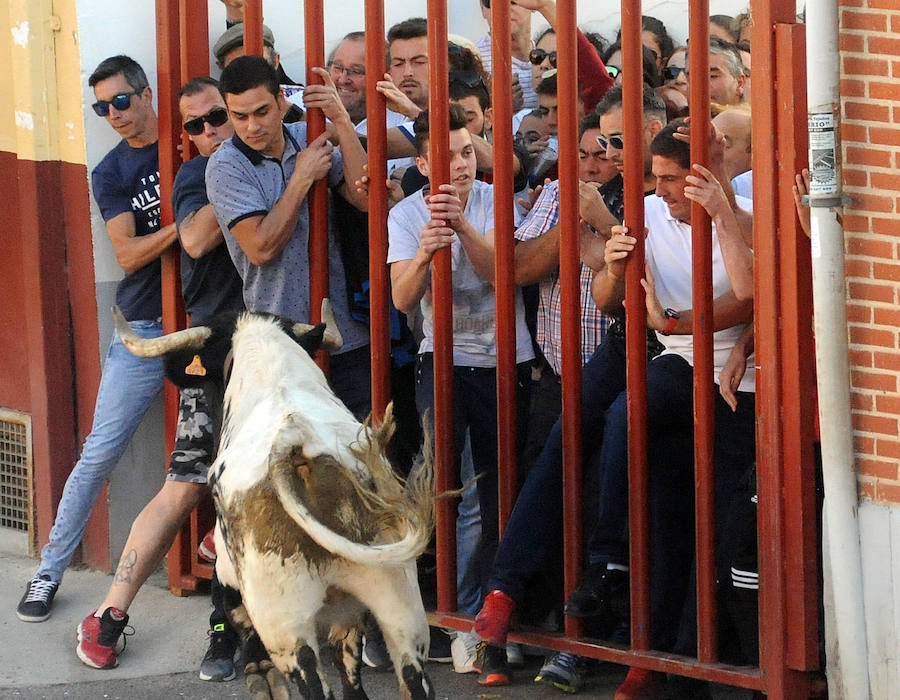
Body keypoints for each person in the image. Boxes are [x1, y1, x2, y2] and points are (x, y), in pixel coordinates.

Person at [469, 87, 668, 694]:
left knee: (620, 451)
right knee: (561, 449)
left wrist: (598, 225)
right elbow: (576, 273)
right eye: (594, 144)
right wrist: (581, 221)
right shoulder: (577, 192)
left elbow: (649, 279)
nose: (601, 156)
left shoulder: (671, 187)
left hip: (667, 348)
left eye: (614, 144)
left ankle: (613, 635)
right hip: (594, 352)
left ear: (655, 132)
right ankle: (503, 596)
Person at [71, 76, 246, 674]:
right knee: (187, 482)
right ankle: (111, 613)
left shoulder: (282, 148)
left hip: (276, 346)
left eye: (217, 117)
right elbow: (196, 241)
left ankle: (231, 619)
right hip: (210, 348)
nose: (208, 132)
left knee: (262, 480)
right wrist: (239, 169)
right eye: (194, 126)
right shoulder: (198, 176)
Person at [16, 55, 177, 624]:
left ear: (146, 93)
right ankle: (48, 572)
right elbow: (129, 255)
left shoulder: (192, 141)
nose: (114, 115)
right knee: (98, 453)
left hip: (207, 325)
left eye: (122, 101)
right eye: (102, 107)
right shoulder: (110, 172)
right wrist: (187, 228)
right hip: (143, 328)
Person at [387, 104, 535, 686]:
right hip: (440, 360)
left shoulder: (500, 200)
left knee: (501, 488)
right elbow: (402, 302)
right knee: (450, 489)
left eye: (468, 152)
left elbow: (505, 274)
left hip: (506, 361)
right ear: (423, 163)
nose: (461, 165)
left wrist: (464, 226)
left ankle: (491, 620)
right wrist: (425, 249)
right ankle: (460, 618)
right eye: (447, 156)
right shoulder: (403, 214)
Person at [205, 55, 371, 418]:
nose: (252, 126)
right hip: (280, 340)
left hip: (348, 333)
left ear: (282, 100)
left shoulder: (307, 135)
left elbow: (366, 198)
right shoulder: (226, 165)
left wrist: (341, 121)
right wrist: (302, 178)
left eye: (262, 111)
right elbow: (261, 248)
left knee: (362, 457)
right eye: (239, 116)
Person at [212, 21, 304, 122]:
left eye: (260, 63)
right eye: (238, 67)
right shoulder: (214, 111)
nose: (250, 73)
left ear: (276, 61)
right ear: (222, 68)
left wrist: (293, 114)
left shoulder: (304, 100)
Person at [475, 0, 538, 109]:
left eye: (514, 1)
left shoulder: (551, 55)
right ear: (482, 8)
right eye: (492, 2)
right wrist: (498, 108)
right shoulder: (472, 60)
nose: (504, 8)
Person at [687, 37, 747, 106]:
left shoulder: (756, 116)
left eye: (712, 76)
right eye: (692, 78)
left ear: (739, 83)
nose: (700, 86)